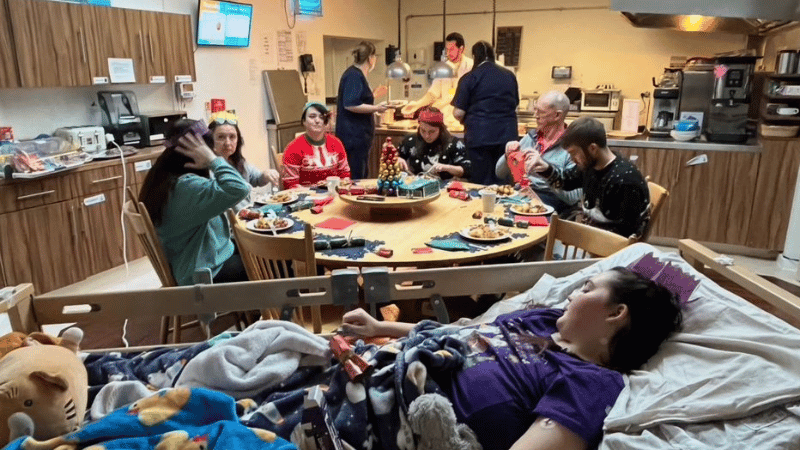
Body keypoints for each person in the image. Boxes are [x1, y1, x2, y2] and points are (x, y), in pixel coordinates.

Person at [341, 267, 683, 450]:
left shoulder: (589, 382)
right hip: (368, 367)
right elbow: (457, 335)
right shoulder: (544, 321)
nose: (574, 293)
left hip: (390, 422)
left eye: (588, 288)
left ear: (616, 313)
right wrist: (379, 326)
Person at [139, 119, 249, 286]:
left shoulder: (163, 178)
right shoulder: (188, 187)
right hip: (202, 274)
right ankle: (265, 310)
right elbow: (239, 188)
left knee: (261, 250)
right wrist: (213, 160)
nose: (213, 151)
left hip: (194, 259)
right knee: (276, 263)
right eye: (208, 150)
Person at [524, 116, 650, 238]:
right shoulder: (591, 166)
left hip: (606, 250)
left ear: (592, 148)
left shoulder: (624, 181)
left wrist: (577, 235)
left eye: (574, 153)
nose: (572, 160)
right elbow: (566, 181)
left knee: (535, 247)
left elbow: (624, 237)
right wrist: (545, 168)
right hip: (591, 237)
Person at [495, 91, 581, 214]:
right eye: (535, 110)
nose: (535, 115)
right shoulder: (530, 138)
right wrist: (507, 155)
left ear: (557, 115)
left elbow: (573, 198)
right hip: (521, 194)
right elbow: (499, 173)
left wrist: (546, 170)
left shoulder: (572, 147)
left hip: (551, 201)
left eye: (540, 112)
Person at [452, 41, 519, 185]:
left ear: (475, 56)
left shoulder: (470, 77)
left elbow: (458, 113)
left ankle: (482, 207)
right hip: (507, 137)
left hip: (479, 137)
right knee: (503, 178)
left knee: (481, 182)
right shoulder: (509, 75)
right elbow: (516, 103)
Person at [206, 111, 280, 211]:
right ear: (210, 140)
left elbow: (256, 178)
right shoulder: (207, 169)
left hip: (246, 215)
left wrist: (266, 174)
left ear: (238, 140)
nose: (228, 143)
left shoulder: (238, 161)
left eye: (232, 137)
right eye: (221, 137)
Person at [335, 41, 388, 180]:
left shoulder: (357, 75)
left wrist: (374, 94)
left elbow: (359, 99)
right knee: (357, 177)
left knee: (362, 173)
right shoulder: (354, 75)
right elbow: (350, 104)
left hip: (360, 137)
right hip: (354, 137)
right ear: (371, 58)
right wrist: (377, 108)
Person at [401, 32, 474, 125]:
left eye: (451, 49)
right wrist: (417, 104)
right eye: (446, 50)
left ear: (461, 49)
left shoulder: (472, 67)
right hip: (445, 119)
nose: (448, 53)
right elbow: (433, 93)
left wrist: (444, 101)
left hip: (464, 119)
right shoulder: (443, 68)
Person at [282, 102, 351, 189]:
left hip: (335, 195)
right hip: (306, 198)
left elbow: (345, 174)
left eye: (321, 117)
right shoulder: (293, 148)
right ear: (304, 121)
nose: (317, 121)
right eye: (312, 116)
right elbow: (290, 184)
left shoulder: (336, 143)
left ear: (325, 122)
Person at [396, 106, 471, 180]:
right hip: (414, 183)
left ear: (440, 129)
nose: (426, 136)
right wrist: (397, 159)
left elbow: (466, 170)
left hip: (443, 187)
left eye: (431, 132)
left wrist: (446, 167)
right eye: (423, 130)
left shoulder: (453, 143)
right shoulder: (411, 140)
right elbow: (395, 156)